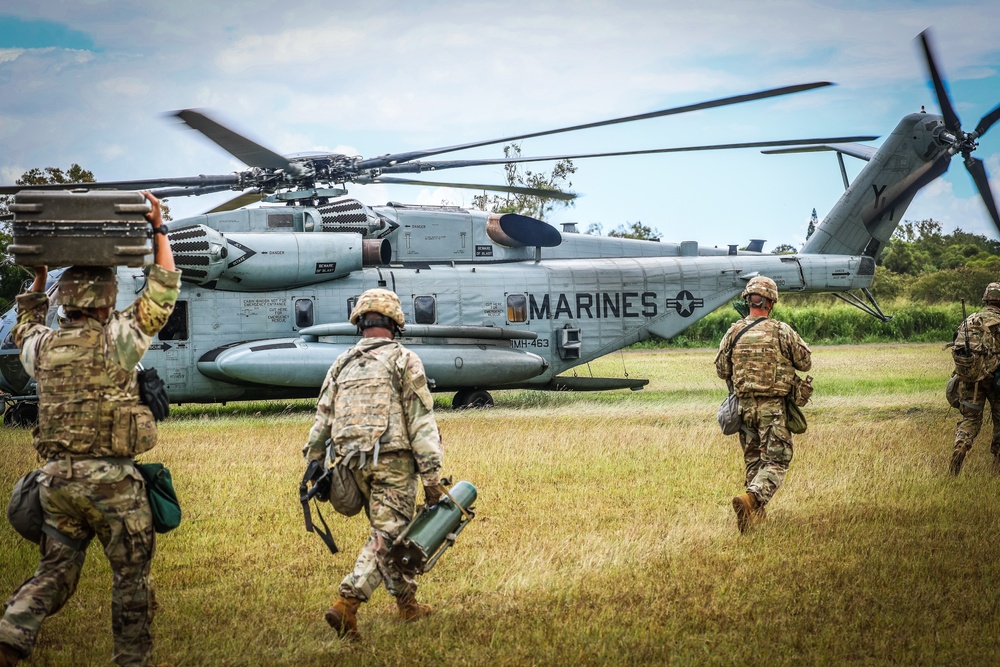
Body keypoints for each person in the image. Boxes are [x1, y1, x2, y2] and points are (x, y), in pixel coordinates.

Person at [0, 192, 179, 667]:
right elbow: (162, 294)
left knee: (55, 572)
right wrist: (159, 229)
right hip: (113, 485)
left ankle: (10, 632)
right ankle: (130, 659)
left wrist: (37, 280)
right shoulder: (119, 341)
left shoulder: (43, 349)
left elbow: (24, 326)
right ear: (105, 302)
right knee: (131, 580)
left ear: (68, 303)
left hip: (56, 483)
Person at [302, 288, 445, 641]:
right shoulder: (404, 359)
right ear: (396, 324)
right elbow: (421, 422)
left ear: (360, 324)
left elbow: (322, 418)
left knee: (390, 534)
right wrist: (431, 477)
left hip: (349, 466)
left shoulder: (342, 363)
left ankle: (407, 604)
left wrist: (314, 461)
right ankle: (347, 602)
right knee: (387, 536)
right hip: (392, 465)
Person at [715, 276, 811, 534]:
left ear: (748, 301)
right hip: (773, 408)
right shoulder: (781, 330)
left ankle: (754, 516)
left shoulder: (733, 332)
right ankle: (751, 500)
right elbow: (805, 362)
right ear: (771, 302)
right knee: (777, 460)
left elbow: (722, 369)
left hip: (744, 408)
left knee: (754, 461)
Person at [948, 282, 1000, 475]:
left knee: (970, 418)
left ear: (986, 298)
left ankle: (960, 447)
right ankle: (997, 465)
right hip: (996, 379)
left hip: (971, 379)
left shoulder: (970, 320)